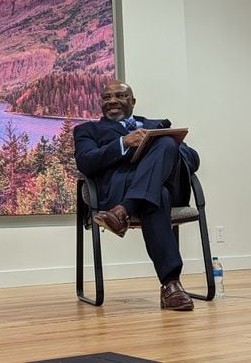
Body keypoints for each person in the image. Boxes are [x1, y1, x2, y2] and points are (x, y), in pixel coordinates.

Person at [73, 80, 201, 311]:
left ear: (132, 101)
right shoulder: (87, 131)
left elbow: (194, 160)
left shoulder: (157, 126)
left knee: (164, 144)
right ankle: (171, 284)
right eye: (107, 97)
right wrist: (123, 143)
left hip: (171, 191)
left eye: (120, 96)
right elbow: (86, 162)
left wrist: (168, 147)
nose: (112, 100)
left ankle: (124, 211)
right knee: (156, 195)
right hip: (122, 192)